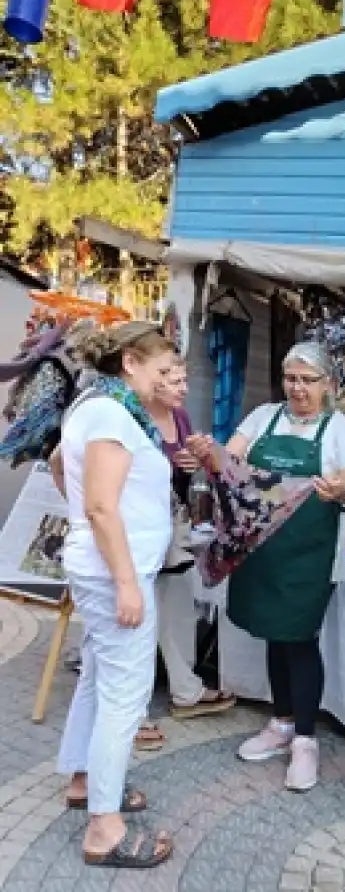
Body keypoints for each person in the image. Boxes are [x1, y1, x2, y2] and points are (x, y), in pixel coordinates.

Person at [188, 342, 345, 792]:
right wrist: (209, 453)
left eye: (307, 380)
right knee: (274, 632)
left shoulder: (340, 429)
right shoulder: (263, 417)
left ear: (327, 384)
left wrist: (337, 486)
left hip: (310, 555)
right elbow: (229, 461)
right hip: (262, 550)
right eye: (291, 378)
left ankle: (306, 739)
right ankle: (281, 722)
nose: (297, 388)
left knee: (300, 639)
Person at [51, 322, 177, 869]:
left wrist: (84, 515)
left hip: (104, 566)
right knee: (125, 696)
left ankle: (86, 780)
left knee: (101, 679)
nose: (167, 379)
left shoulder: (96, 405)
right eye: (161, 369)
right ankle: (104, 828)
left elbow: (61, 466)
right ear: (130, 362)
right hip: (113, 573)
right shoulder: (109, 412)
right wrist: (126, 579)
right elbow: (102, 506)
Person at [135, 357, 235, 752]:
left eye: (183, 379)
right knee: (137, 620)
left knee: (176, 606)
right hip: (138, 528)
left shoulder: (180, 418)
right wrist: (169, 462)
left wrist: (199, 459)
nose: (182, 387)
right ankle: (133, 713)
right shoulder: (129, 416)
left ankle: (186, 689)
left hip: (172, 525)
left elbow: (190, 473)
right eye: (172, 379)